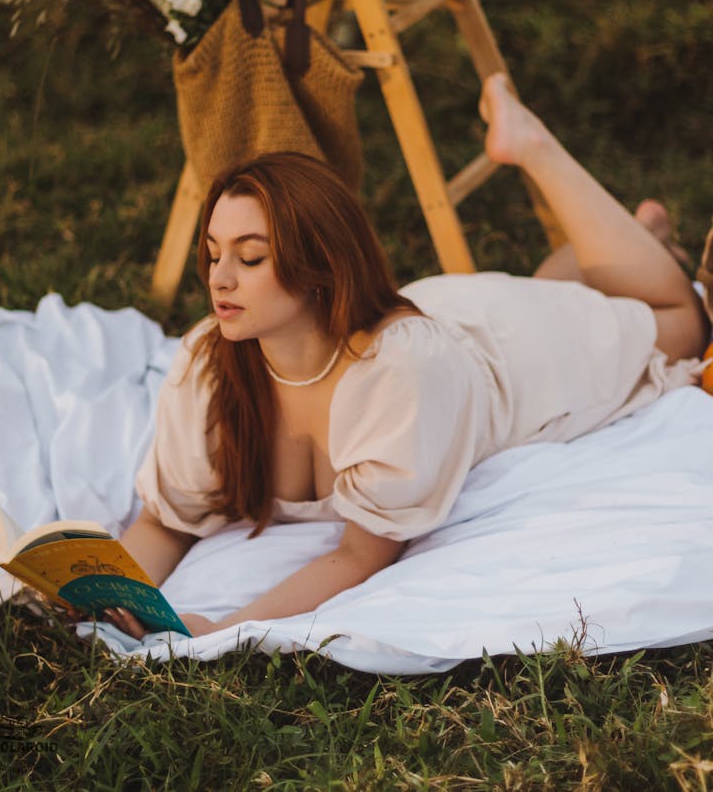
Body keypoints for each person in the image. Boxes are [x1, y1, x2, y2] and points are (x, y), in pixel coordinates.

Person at [105, 73, 708, 639]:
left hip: (506, 359)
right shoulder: (209, 368)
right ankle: (639, 235)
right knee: (562, 292)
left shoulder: (396, 375)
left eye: (251, 257)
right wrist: (117, 591)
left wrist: (227, 627)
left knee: (682, 320)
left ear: (319, 266)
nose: (220, 279)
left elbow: (360, 555)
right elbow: (167, 520)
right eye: (213, 253)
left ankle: (532, 143)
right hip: (444, 317)